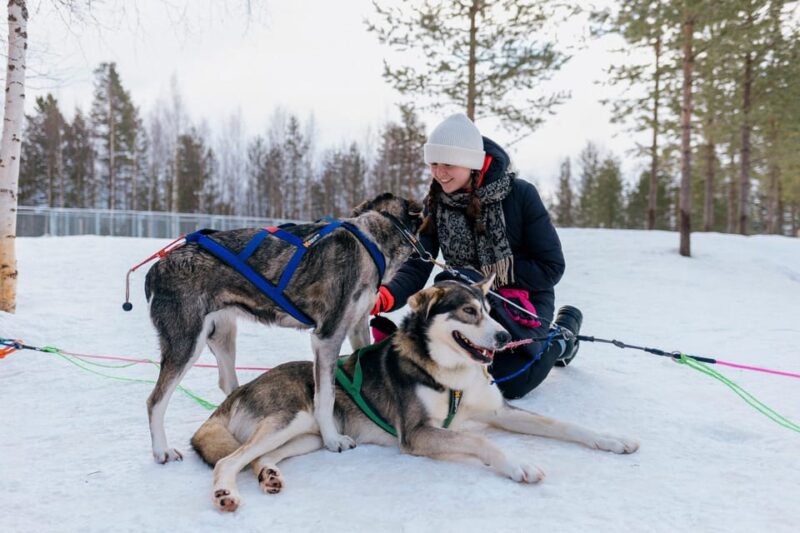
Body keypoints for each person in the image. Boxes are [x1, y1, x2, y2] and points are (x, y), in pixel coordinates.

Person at [370, 113, 580, 399]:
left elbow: (551, 267)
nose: (439, 173)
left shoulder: (520, 195)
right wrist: (386, 295)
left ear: (472, 163)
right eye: (433, 163)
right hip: (466, 299)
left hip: (524, 297)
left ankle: (561, 336)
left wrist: (486, 277)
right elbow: (419, 263)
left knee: (512, 382)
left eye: (449, 164)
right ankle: (409, 347)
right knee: (461, 362)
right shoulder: (435, 203)